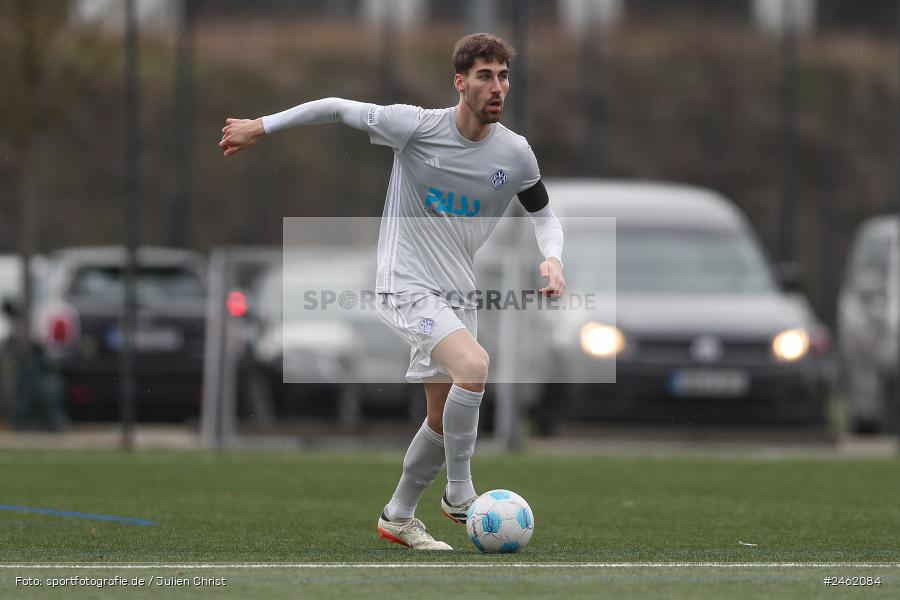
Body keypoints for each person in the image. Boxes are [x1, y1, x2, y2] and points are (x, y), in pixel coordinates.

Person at [220, 33, 565, 551]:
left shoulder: (514, 153)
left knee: (442, 416)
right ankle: (460, 492)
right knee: (475, 365)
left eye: (503, 76)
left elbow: (544, 215)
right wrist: (260, 126)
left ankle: (398, 514)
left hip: (457, 293)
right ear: (460, 82)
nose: (497, 87)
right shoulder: (416, 127)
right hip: (405, 284)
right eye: (485, 76)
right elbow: (336, 107)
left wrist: (553, 258)